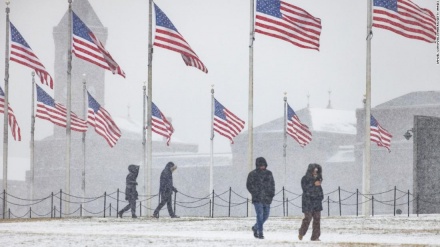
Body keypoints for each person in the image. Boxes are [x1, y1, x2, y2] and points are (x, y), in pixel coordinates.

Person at [246, 157, 275, 239]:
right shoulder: (252, 174)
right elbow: (249, 185)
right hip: (257, 198)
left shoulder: (269, 173)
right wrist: (255, 193)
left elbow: (272, 185)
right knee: (259, 215)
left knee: (266, 215)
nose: (262, 167)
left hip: (267, 198)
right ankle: (260, 232)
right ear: (257, 165)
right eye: (261, 165)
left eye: (264, 165)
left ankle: (255, 227)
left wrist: (271, 195)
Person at [298, 163, 324, 241]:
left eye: (317, 170)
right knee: (307, 218)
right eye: (314, 170)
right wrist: (313, 184)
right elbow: (305, 189)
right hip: (308, 202)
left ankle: (315, 237)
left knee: (317, 220)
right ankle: (301, 232)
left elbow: (320, 190)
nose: (315, 172)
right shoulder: (304, 178)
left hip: (317, 202)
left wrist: (320, 197)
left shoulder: (318, 179)